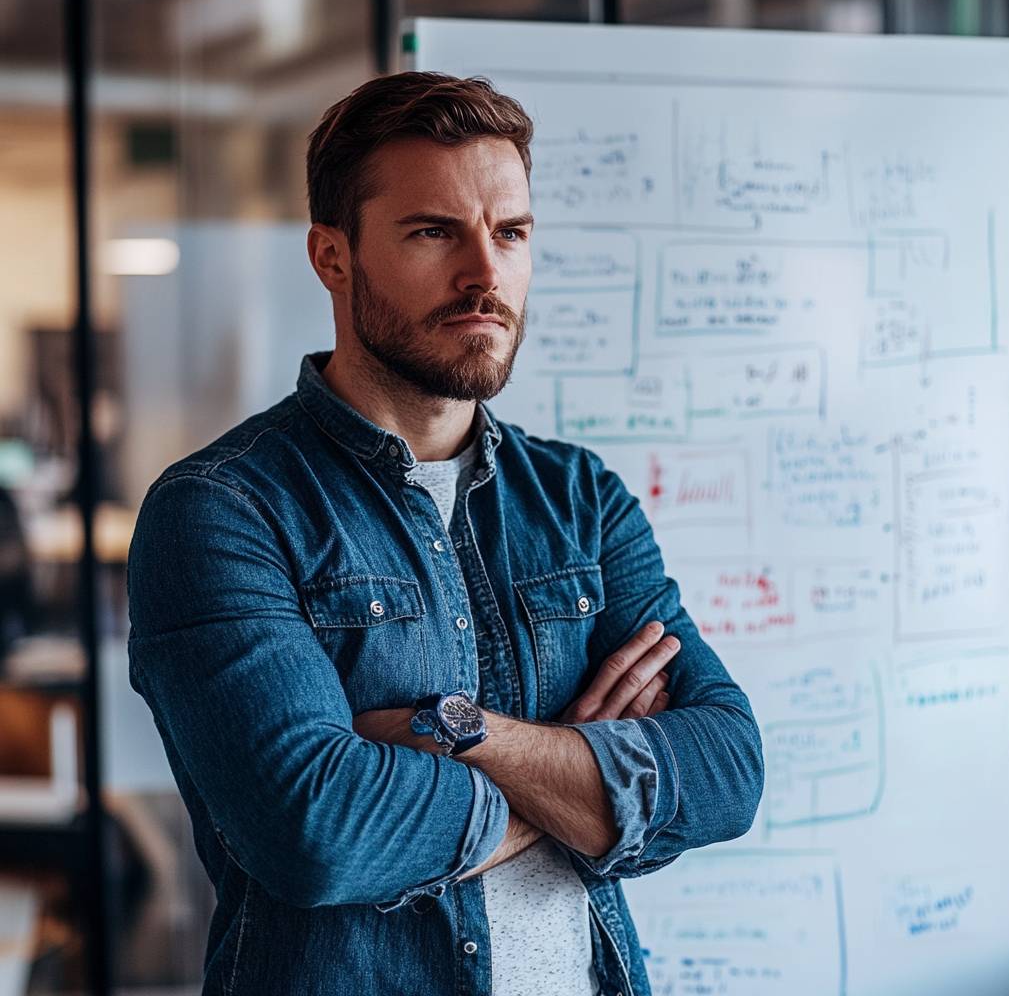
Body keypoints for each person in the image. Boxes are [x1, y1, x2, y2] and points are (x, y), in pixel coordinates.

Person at [127, 72, 763, 996]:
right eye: (434, 232)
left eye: (510, 232)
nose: (484, 274)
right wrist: (583, 781)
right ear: (332, 257)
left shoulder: (581, 501)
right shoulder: (222, 511)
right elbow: (317, 831)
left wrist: (464, 736)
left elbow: (728, 771)